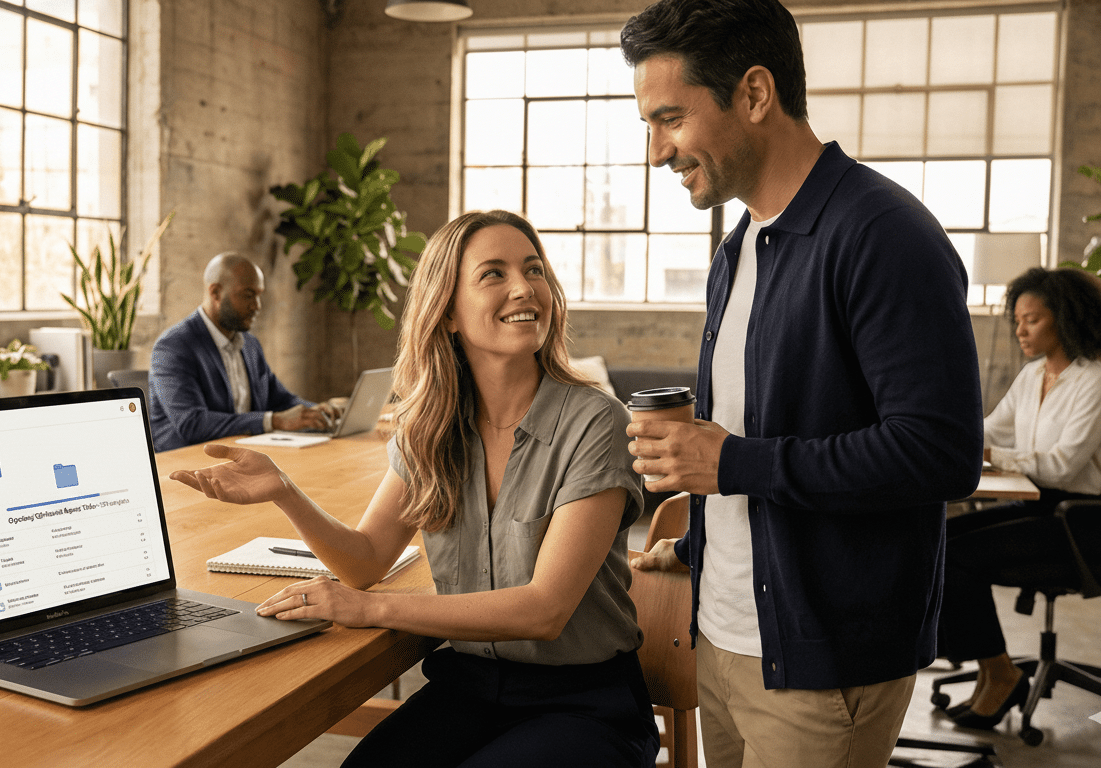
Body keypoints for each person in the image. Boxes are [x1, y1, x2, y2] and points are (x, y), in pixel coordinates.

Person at [619, 1, 984, 766]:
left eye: (670, 119)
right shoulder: (741, 242)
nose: (656, 151)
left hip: (822, 665)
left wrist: (731, 464)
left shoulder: (883, 235)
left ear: (754, 94)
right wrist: (697, 548)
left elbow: (939, 453)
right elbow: (766, 433)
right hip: (722, 638)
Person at [171, 210, 657, 767]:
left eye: (534, 269)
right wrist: (284, 490)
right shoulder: (430, 427)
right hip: (470, 689)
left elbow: (542, 611)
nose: (524, 287)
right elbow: (367, 559)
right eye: (493, 274)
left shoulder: (596, 422)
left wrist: (368, 610)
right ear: (447, 311)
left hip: (585, 704)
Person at [937, 267, 1101, 730]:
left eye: (1032, 320)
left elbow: (1062, 465)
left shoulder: (1094, 380)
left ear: (1063, 318)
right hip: (1039, 506)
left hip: (1081, 519)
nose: (1020, 330)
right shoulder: (1033, 376)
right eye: (1018, 321)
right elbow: (988, 428)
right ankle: (991, 667)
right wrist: (943, 434)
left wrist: (994, 456)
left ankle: (999, 673)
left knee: (956, 558)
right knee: (937, 540)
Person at [148, 252, 341, 451]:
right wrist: (274, 421)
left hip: (242, 455)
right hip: (186, 462)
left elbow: (280, 399)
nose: (257, 306)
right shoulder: (173, 347)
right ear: (215, 293)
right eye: (248, 295)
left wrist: (318, 411)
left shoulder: (249, 344)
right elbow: (192, 423)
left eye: (259, 295)